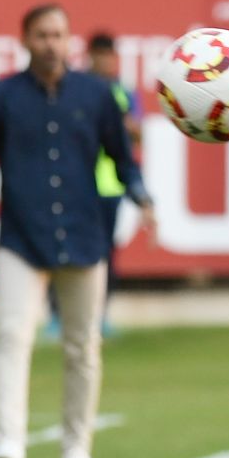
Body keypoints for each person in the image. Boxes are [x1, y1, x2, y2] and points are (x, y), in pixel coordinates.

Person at [0, 4, 157, 458]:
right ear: (25, 39)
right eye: (43, 35)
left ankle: (77, 450)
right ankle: (8, 443)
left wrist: (142, 196)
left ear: (71, 42)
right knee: (11, 334)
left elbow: (121, 155)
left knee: (83, 346)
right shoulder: (0, 97)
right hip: (21, 236)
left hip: (85, 235)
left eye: (60, 35)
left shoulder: (96, 95)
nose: (52, 44)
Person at [85, 33, 141, 337]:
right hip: (78, 185)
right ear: (90, 55)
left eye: (110, 56)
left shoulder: (123, 93)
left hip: (110, 185)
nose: (106, 61)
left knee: (106, 253)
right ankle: (59, 315)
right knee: (67, 253)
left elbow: (137, 135)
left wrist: (123, 125)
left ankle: (102, 315)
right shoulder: (77, 88)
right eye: (101, 54)